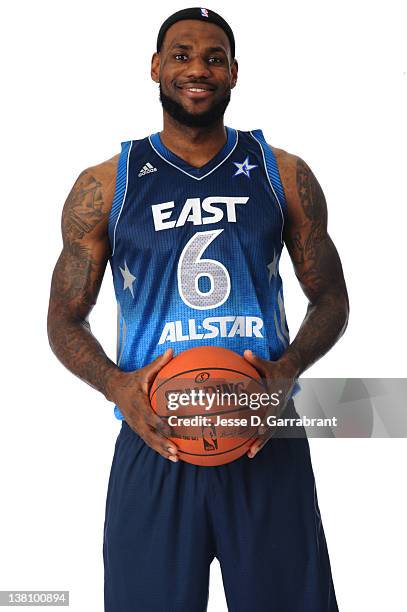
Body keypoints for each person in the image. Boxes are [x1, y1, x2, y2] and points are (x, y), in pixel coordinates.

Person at [47, 7, 349, 611]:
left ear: (234, 73)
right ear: (156, 68)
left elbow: (332, 299)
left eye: (214, 58)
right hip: (154, 434)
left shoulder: (282, 174)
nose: (198, 69)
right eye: (181, 55)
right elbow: (62, 317)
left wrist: (284, 372)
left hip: (265, 432)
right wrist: (115, 386)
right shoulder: (106, 185)